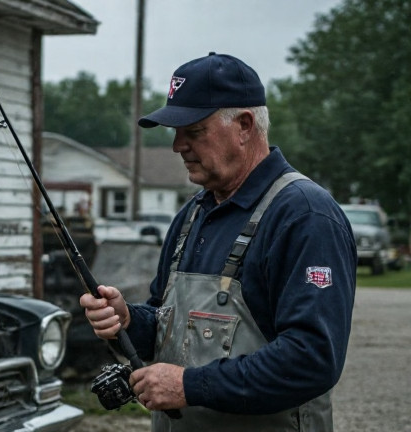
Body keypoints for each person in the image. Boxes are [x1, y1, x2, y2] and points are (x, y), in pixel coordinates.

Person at [80, 52, 356, 431]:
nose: (178, 145)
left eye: (193, 131)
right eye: (176, 133)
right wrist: (128, 320)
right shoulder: (192, 214)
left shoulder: (305, 216)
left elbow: (312, 359)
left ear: (244, 126)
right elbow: (164, 322)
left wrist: (189, 386)